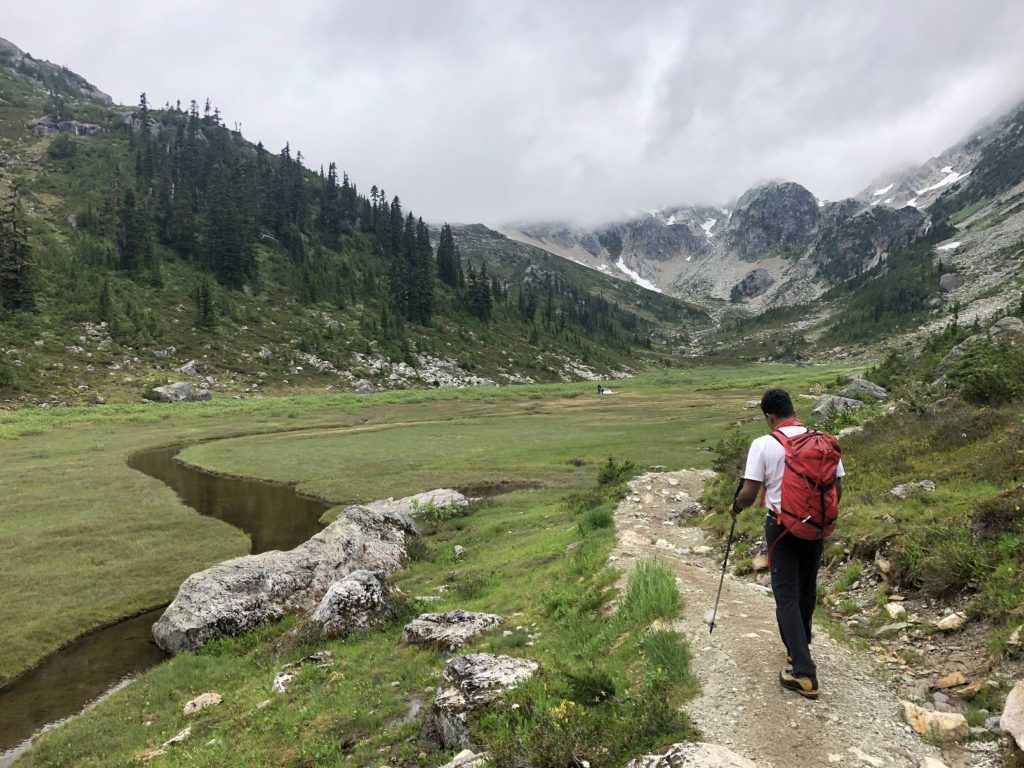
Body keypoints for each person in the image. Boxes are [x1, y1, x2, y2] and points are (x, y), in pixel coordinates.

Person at [729, 388, 844, 700]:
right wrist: (820, 520)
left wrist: (736, 507)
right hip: (817, 526)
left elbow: (750, 493)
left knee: (786, 595)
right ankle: (798, 646)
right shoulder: (822, 440)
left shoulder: (764, 444)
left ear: (769, 417)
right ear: (793, 410)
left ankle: (804, 674)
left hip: (782, 527)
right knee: (807, 588)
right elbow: (836, 486)